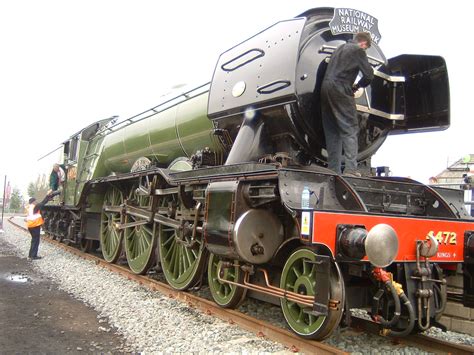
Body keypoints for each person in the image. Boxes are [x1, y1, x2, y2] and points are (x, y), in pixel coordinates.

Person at [321, 32, 374, 176]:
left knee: (332, 131)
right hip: (341, 89)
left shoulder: (339, 48)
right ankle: (350, 169)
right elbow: (369, 75)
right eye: (366, 48)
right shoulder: (358, 50)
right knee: (350, 129)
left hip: (325, 90)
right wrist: (358, 85)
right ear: (363, 43)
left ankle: (333, 170)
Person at [25, 196, 50, 260]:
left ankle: (31, 255)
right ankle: (33, 256)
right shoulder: (34, 207)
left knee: (34, 240)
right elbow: (43, 203)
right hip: (35, 225)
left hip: (30, 226)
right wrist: (48, 196)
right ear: (33, 202)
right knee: (35, 241)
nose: (36, 202)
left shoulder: (28, 207)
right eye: (35, 201)